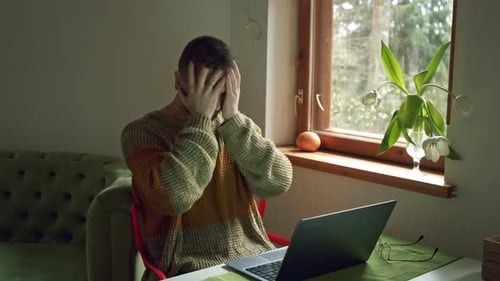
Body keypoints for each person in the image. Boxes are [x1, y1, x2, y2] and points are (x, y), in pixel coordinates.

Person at [121, 35, 293, 280]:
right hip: (189, 266)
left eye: (222, 91)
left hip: (254, 257)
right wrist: (200, 121)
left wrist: (233, 120)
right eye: (207, 90)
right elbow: (174, 198)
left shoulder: (234, 128)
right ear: (179, 82)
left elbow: (279, 182)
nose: (215, 102)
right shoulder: (142, 133)